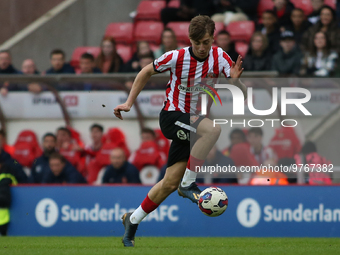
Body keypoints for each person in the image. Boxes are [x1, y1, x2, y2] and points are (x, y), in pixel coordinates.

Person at [114, 15, 245, 247]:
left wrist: (235, 82)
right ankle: (189, 184)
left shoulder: (220, 57)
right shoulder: (177, 57)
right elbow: (145, 71)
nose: (203, 48)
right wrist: (128, 103)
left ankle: (131, 221)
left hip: (194, 123)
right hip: (173, 117)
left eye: (206, 42)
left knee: (168, 183)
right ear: (190, 40)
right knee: (213, 131)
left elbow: (242, 93)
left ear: (213, 38)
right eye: (198, 43)